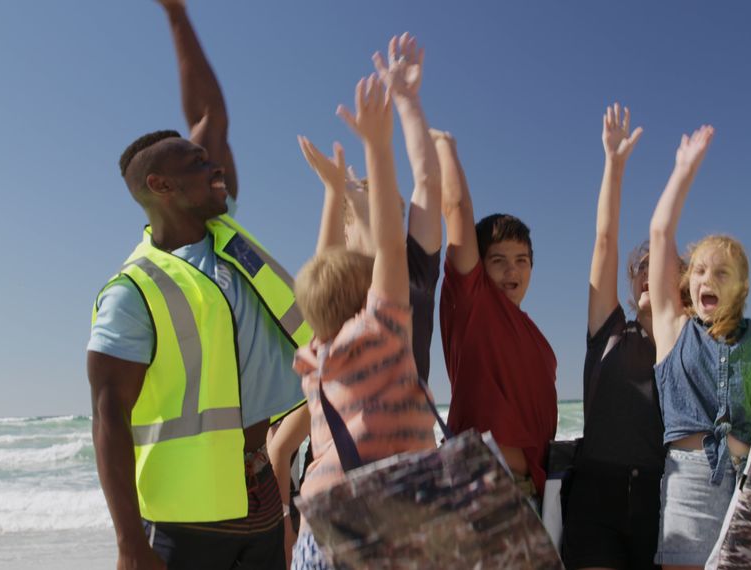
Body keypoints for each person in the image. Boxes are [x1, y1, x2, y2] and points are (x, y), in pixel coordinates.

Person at [86, 2, 310, 569]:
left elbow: (210, 113)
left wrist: (177, 12)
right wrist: (129, 543)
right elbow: (108, 417)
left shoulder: (226, 234)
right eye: (197, 163)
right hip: (187, 523)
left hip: (262, 495)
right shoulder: (132, 291)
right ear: (161, 185)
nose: (216, 169)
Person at [289, 74, 439, 570]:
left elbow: (323, 267)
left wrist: (335, 193)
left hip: (323, 523)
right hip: (388, 521)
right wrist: (377, 145)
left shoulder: (313, 355)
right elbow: (388, 251)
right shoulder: (383, 326)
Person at [647, 125, 751, 569]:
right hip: (691, 481)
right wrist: (683, 170)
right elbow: (660, 233)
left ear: (742, 288)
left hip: (750, 483)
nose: (706, 280)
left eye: (722, 274)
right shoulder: (673, 327)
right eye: (699, 271)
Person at [561, 104, 665, 570]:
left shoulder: (688, 346)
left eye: (660, 269)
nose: (649, 276)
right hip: (594, 496)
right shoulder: (609, 331)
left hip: (660, 500)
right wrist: (614, 165)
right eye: (641, 270)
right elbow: (605, 239)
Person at [435, 129, 558, 505]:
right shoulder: (474, 306)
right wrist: (445, 150)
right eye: (498, 261)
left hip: (533, 494)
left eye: (521, 261)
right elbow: (458, 211)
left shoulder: (539, 341)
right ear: (479, 266)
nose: (512, 271)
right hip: (481, 488)